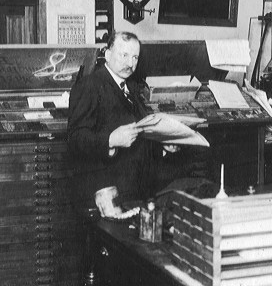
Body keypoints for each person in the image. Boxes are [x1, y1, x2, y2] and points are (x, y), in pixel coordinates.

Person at [67, 32, 197, 217]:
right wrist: (110, 140)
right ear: (108, 54)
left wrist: (163, 145)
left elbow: (140, 135)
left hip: (136, 187)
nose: (130, 63)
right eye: (124, 55)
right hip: (109, 191)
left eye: (135, 57)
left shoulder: (131, 89)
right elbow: (75, 139)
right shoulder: (90, 85)